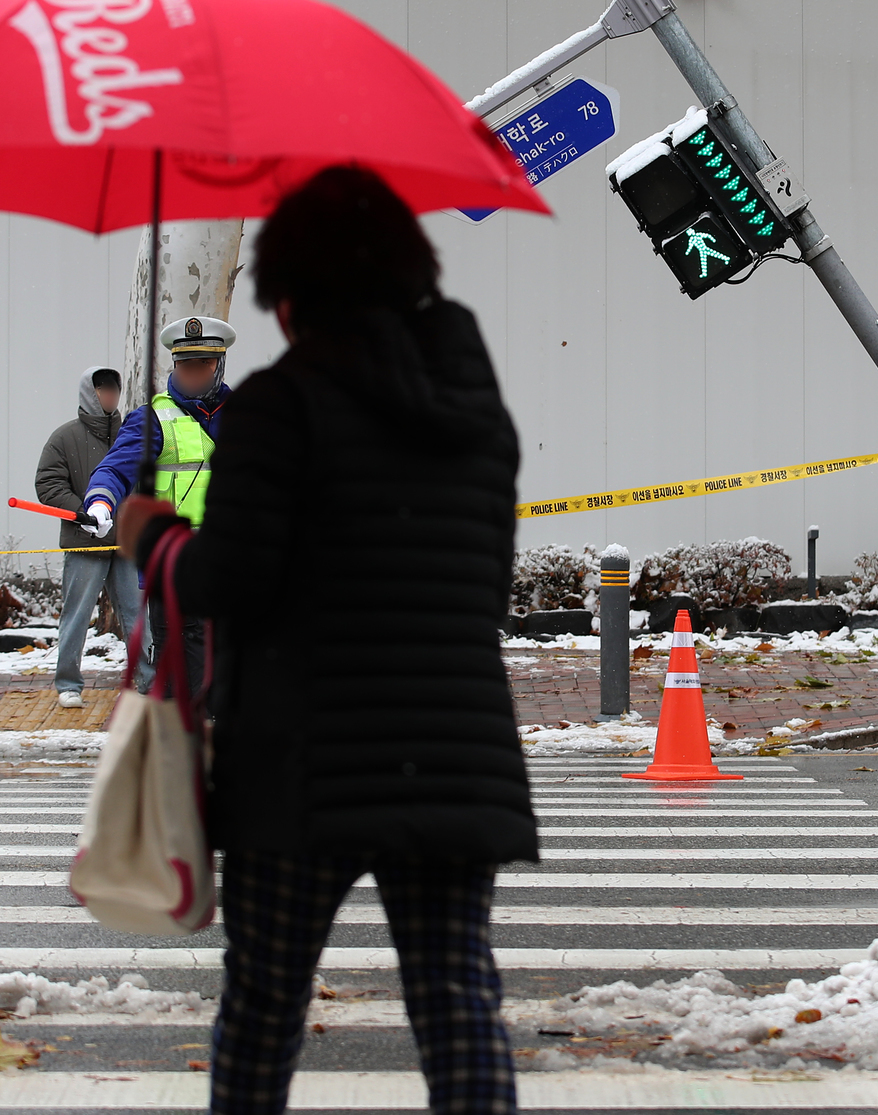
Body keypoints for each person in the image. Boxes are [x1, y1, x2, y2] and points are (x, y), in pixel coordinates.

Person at [118, 166, 536, 1115]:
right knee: (456, 996)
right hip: (452, 747)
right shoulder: (475, 408)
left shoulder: (280, 404)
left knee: (265, 1002)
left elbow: (228, 581)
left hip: (300, 760)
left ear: (293, 290)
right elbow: (482, 577)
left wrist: (156, 539)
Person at [84, 316, 235, 689]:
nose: (193, 373)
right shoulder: (153, 418)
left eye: (203, 364)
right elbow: (115, 469)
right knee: (183, 673)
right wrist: (101, 501)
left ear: (219, 366)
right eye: (185, 365)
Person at [35, 367, 140, 710]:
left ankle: (149, 680)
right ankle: (68, 684)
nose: (109, 397)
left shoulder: (131, 435)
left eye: (113, 390)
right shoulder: (64, 438)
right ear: (88, 394)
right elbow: (48, 485)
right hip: (84, 543)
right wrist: (84, 514)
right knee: (76, 616)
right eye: (101, 391)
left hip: (126, 544)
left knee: (139, 616)